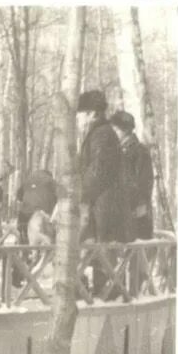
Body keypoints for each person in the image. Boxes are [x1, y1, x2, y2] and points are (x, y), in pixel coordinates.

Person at [76, 90, 129, 299]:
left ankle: (107, 295)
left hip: (103, 206)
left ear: (92, 113)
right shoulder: (100, 132)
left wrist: (81, 194)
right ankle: (100, 293)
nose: (78, 119)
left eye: (80, 114)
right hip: (100, 205)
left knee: (103, 251)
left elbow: (98, 170)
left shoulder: (102, 134)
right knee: (97, 251)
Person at [110, 110, 153, 241]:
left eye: (114, 130)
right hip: (119, 211)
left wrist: (139, 206)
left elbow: (144, 182)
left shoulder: (139, 151)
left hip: (135, 212)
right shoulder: (116, 151)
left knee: (138, 253)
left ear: (124, 130)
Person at [12, 169, 58, 286]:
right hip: (41, 215)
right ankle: (34, 274)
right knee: (49, 247)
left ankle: (16, 275)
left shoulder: (27, 181)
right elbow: (62, 198)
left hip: (24, 216)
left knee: (23, 245)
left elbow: (18, 196)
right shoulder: (51, 182)